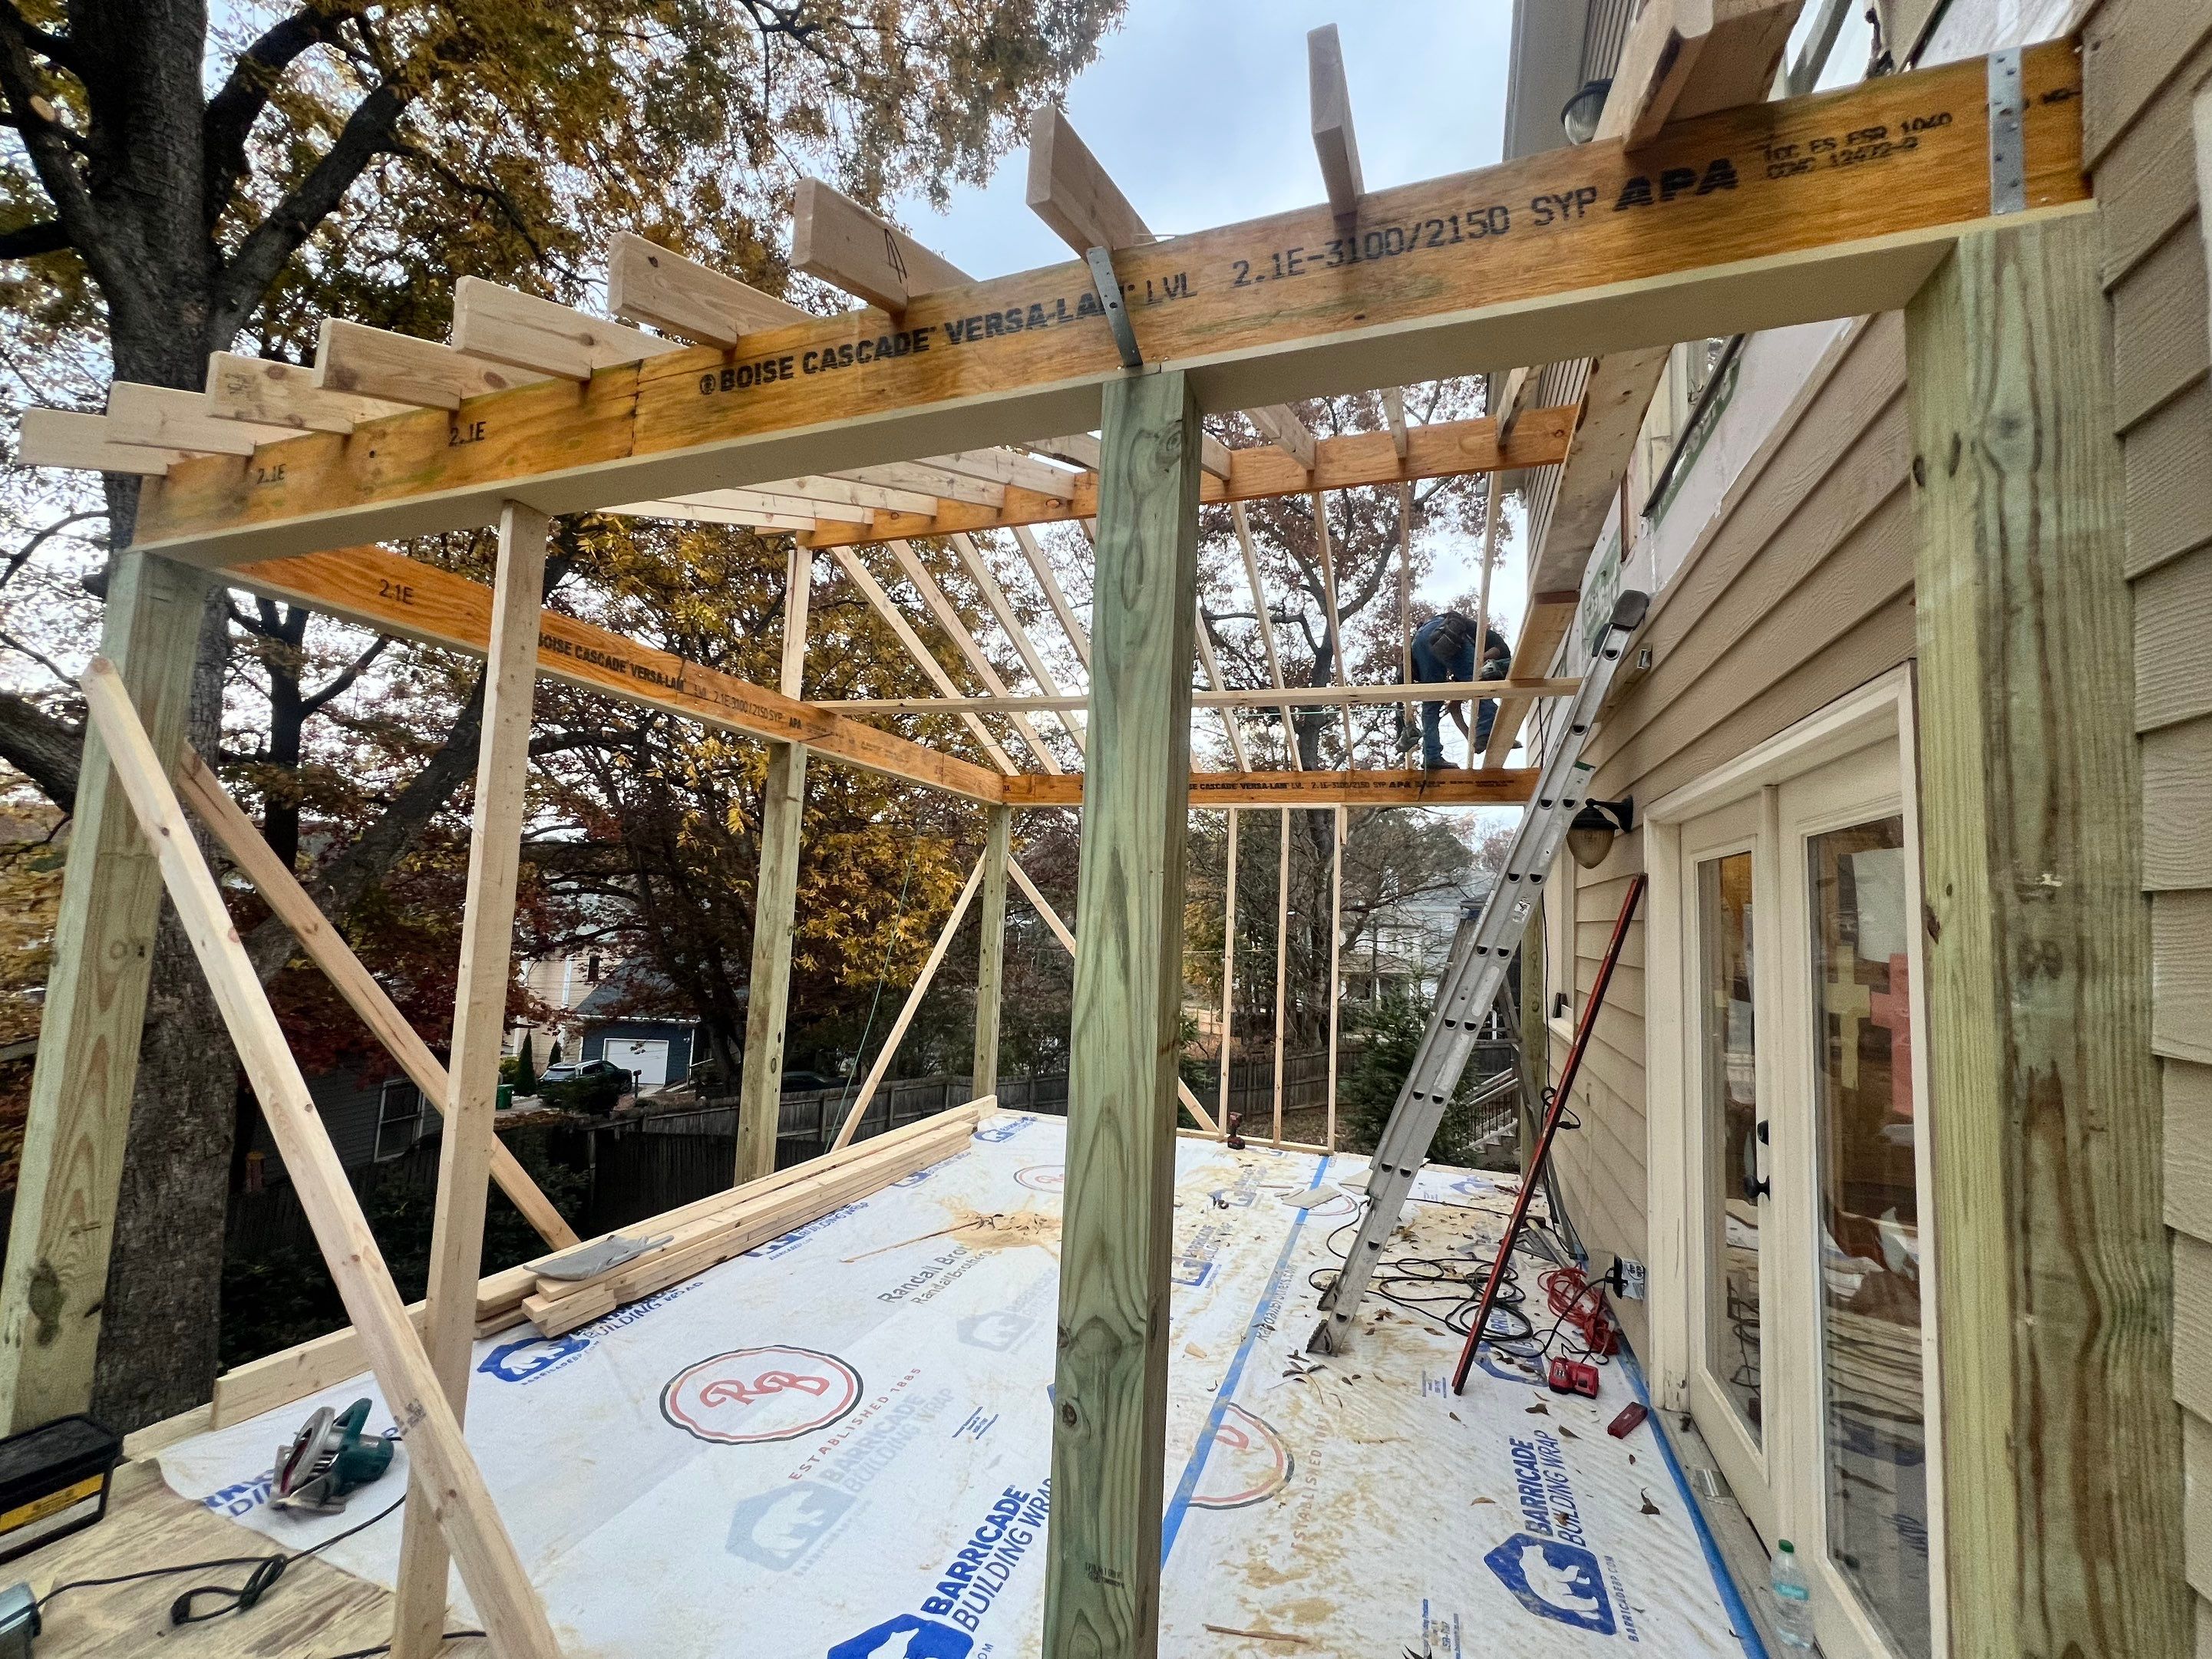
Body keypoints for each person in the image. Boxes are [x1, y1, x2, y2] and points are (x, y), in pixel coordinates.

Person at [1399, 610, 1511, 770]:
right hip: (1444, 630)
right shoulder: (1502, 651)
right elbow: (1484, 660)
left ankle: (1432, 757)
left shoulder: (1459, 670)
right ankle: (1487, 732)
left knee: (1432, 701)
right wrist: (1482, 678)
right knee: (1478, 682)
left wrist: (1472, 739)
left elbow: (1454, 707)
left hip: (1420, 639)